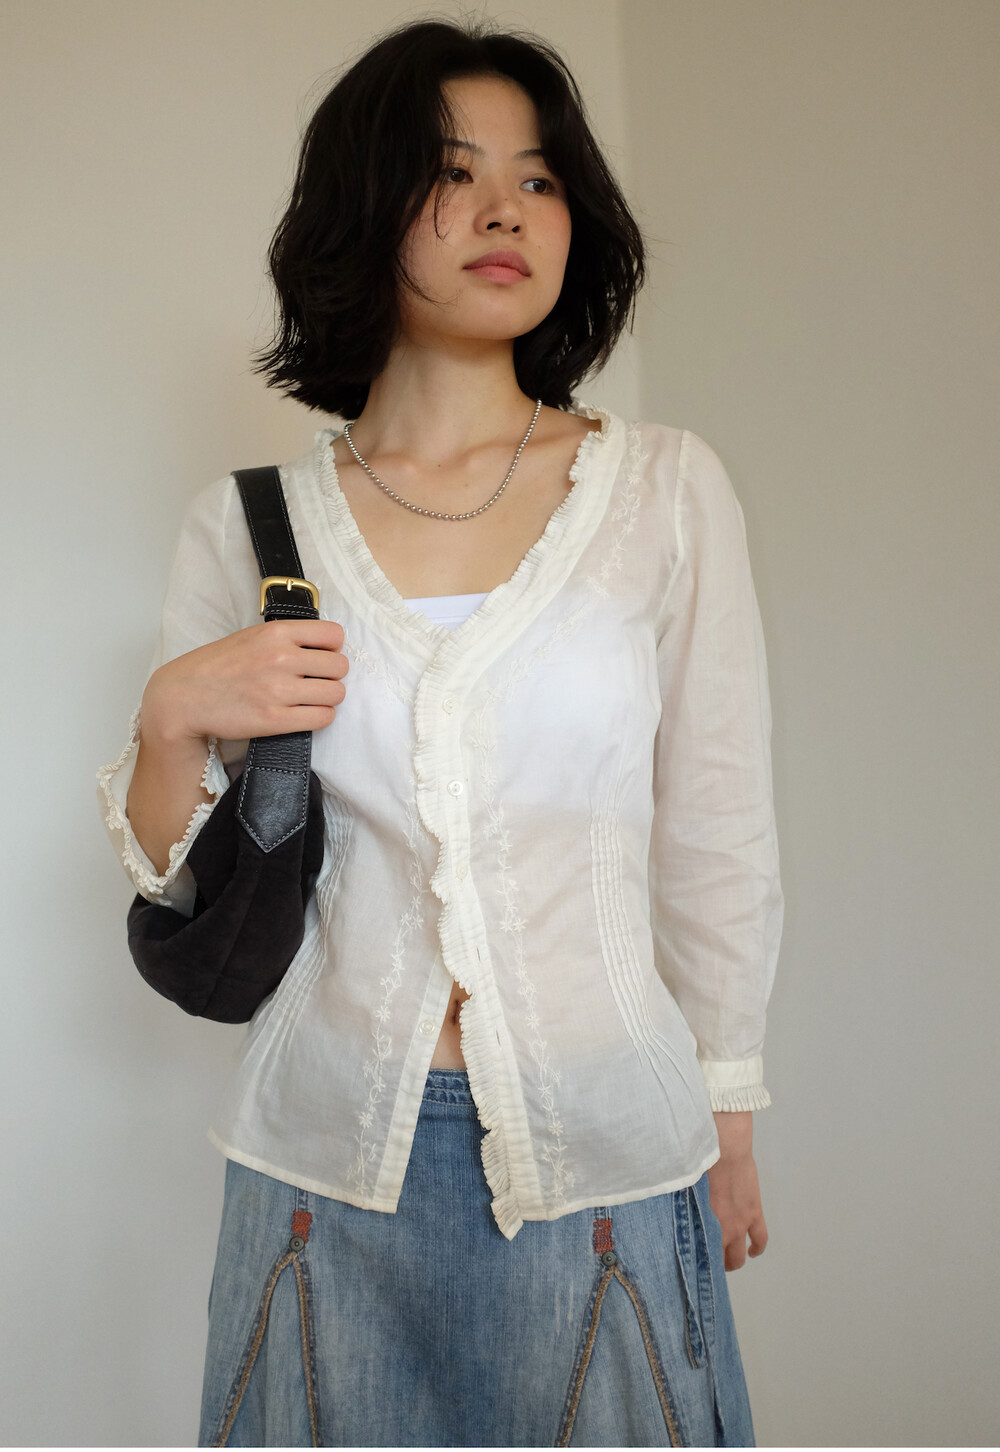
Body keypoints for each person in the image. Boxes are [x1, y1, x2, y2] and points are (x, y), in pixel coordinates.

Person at [98, 18, 782, 1449]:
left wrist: (728, 1114)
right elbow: (182, 879)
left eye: (538, 180)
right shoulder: (249, 526)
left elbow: (716, 827)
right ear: (367, 207)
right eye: (452, 173)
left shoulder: (663, 491)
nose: (503, 211)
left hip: (610, 1149)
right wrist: (170, 718)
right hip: (320, 1170)